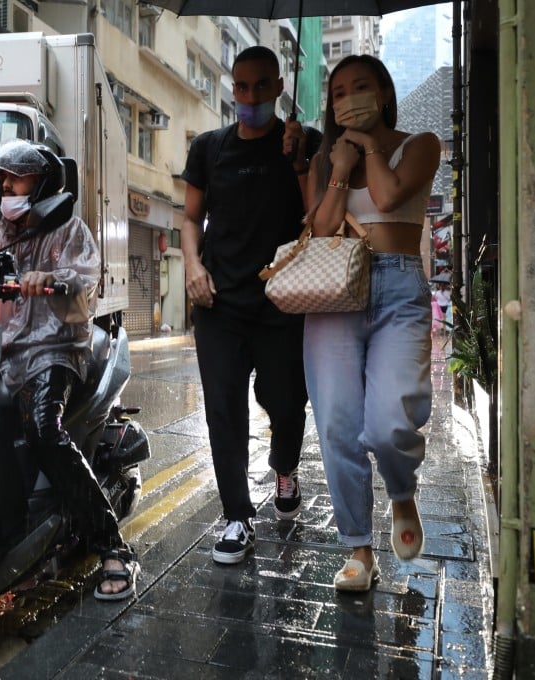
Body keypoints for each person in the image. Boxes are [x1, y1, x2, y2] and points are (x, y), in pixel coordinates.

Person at [0, 139, 139, 601]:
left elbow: (85, 277)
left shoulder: (70, 231)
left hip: (55, 352)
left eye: (16, 178)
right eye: (4, 179)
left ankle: (111, 545)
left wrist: (51, 280)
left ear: (43, 183)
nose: (6, 186)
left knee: (43, 431)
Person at [303, 55, 441, 592]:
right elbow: (322, 226)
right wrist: (337, 168)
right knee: (338, 424)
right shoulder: (326, 159)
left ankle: (401, 490)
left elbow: (387, 196)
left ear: (385, 93)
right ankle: (359, 546)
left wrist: (367, 146)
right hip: (334, 292)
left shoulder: (420, 144)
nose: (347, 99)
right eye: (338, 92)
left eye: (361, 87)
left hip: (399, 287)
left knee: (388, 424)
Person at [180, 46, 320, 565]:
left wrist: (302, 160)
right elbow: (191, 218)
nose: (251, 96)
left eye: (262, 86)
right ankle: (237, 516)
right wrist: (193, 266)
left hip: (285, 301)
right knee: (223, 409)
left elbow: (319, 218)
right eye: (241, 86)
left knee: (285, 402)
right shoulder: (209, 148)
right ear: (231, 89)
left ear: (279, 86)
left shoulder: (302, 144)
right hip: (219, 302)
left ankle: (284, 465)